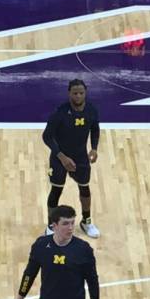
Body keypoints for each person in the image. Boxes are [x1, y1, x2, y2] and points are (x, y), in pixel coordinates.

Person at [43, 78, 102, 237]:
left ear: (85, 93)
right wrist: (62, 157)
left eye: (81, 93)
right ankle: (51, 225)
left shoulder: (91, 110)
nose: (78, 96)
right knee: (56, 190)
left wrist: (94, 148)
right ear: (69, 93)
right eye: (75, 93)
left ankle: (86, 221)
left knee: (85, 188)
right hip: (59, 158)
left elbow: (95, 130)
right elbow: (47, 136)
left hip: (80, 157)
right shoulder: (60, 112)